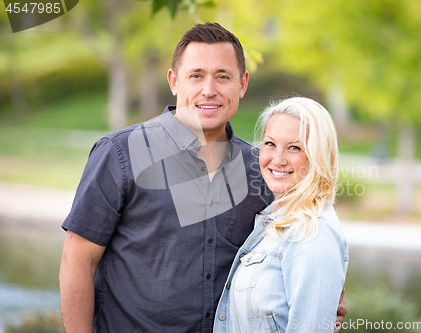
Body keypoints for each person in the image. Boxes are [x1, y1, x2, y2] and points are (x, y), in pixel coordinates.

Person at [59, 23, 346, 332]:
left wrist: (321, 305)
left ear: (242, 84)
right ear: (174, 81)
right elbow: (77, 261)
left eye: (223, 76)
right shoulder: (120, 154)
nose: (209, 89)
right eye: (196, 75)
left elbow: (304, 248)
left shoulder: (261, 168)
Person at [214, 97, 348, 332]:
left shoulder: (313, 232)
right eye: (270, 144)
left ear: (318, 156)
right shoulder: (274, 221)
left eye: (294, 147)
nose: (277, 159)